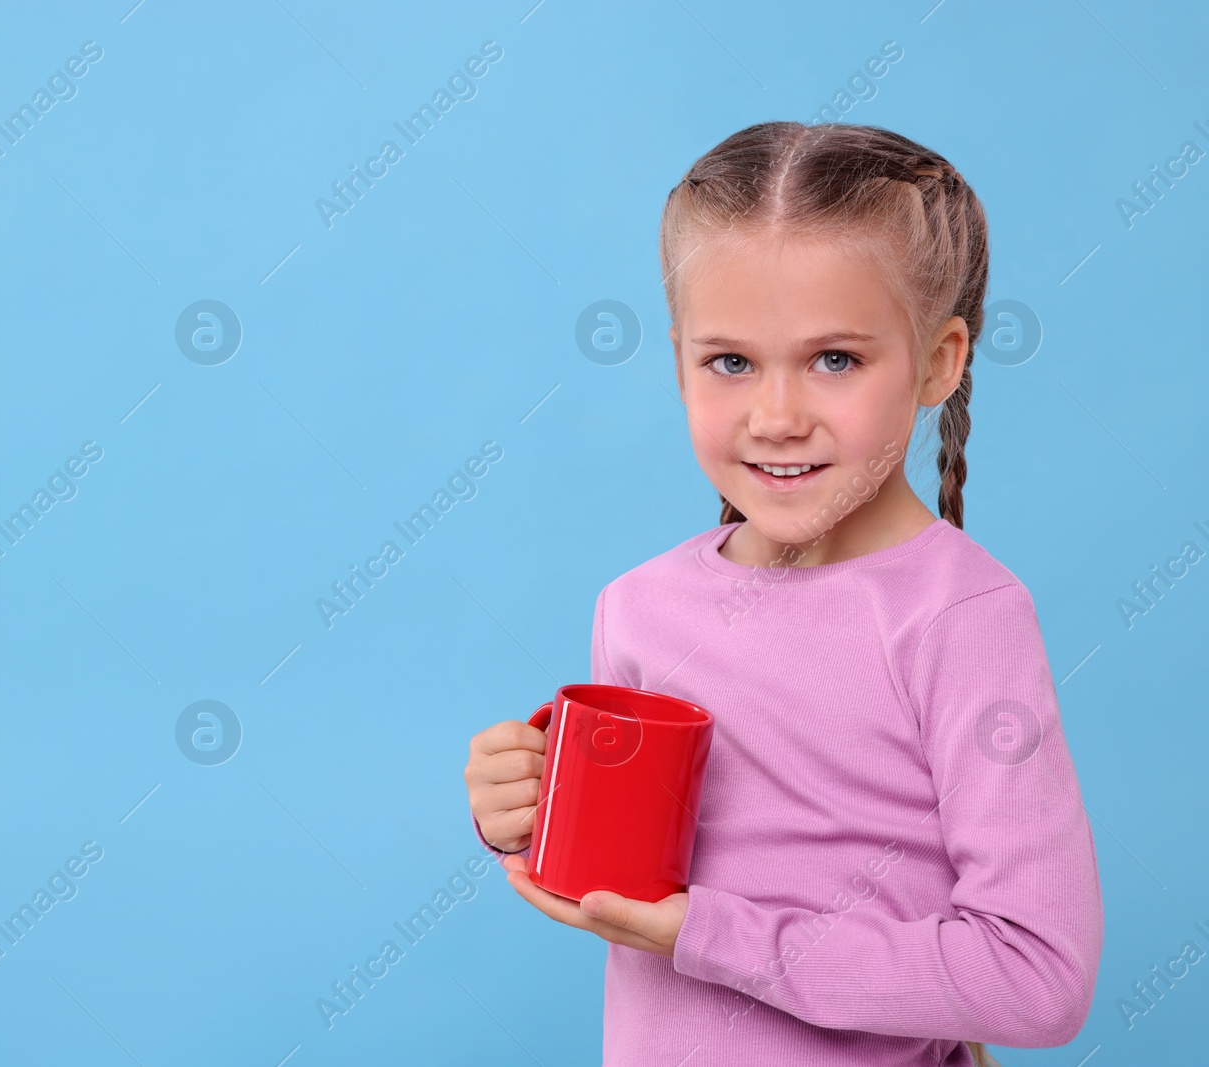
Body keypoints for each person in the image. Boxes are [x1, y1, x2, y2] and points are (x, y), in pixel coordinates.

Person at [464, 120, 1102, 1067]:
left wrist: (711, 933)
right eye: (731, 362)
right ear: (680, 360)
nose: (777, 416)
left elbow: (1036, 976)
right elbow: (633, 894)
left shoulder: (961, 618)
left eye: (835, 359)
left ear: (939, 360)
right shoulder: (639, 608)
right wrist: (522, 810)